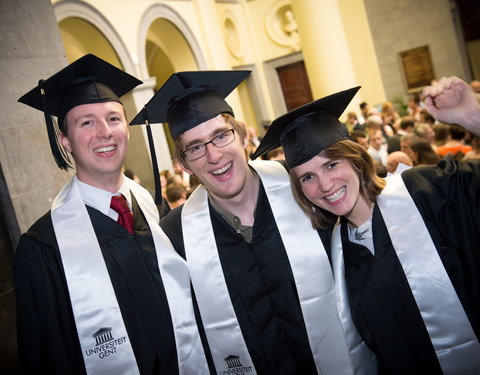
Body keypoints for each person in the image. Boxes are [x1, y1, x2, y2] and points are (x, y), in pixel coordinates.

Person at [130, 71, 376, 374]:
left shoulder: (306, 189)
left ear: (243, 135)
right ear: (182, 164)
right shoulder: (174, 237)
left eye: (221, 135)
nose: (213, 155)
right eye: (195, 148)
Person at [253, 85, 480, 374]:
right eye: (307, 177)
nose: (324, 185)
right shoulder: (332, 254)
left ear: (355, 159)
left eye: (332, 164)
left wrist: (473, 116)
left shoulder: (426, 191)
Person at [14, 54, 210, 374]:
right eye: (86, 122)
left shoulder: (153, 210)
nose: (104, 132)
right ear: (65, 141)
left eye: (114, 118)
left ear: (127, 129)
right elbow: (45, 357)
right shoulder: (44, 248)